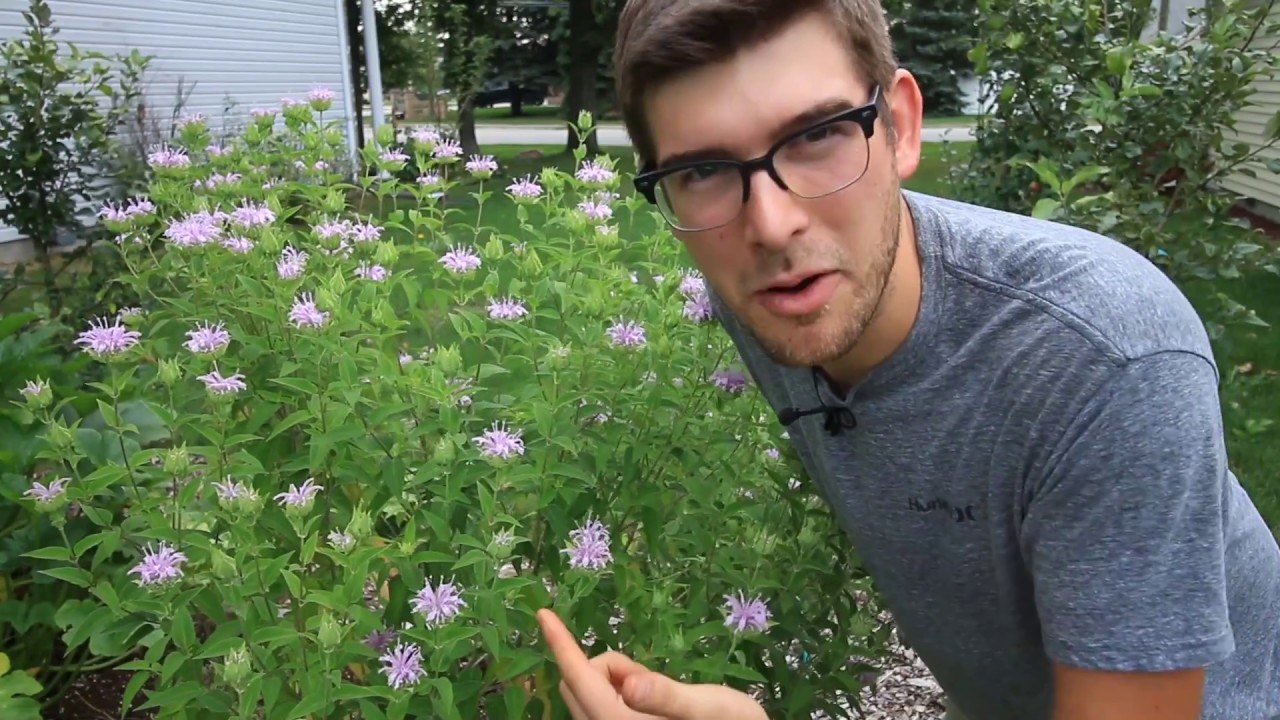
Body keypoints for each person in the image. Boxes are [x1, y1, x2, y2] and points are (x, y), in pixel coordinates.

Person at [538, 0, 1280, 718]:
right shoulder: (775, 292)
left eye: (817, 135)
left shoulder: (1103, 362)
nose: (770, 224)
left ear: (900, 125)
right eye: (702, 171)